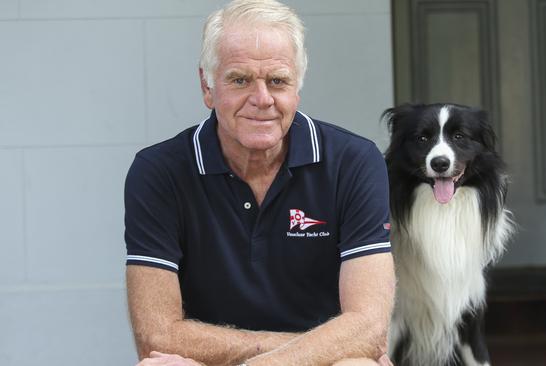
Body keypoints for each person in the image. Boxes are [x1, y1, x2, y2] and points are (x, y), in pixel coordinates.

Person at [124, 0, 395, 365]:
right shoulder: (158, 171)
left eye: (277, 81)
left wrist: (273, 362)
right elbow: (156, 334)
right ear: (207, 85)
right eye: (240, 80)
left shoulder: (354, 162)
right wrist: (287, 351)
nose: (262, 99)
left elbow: (369, 327)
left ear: (297, 87)